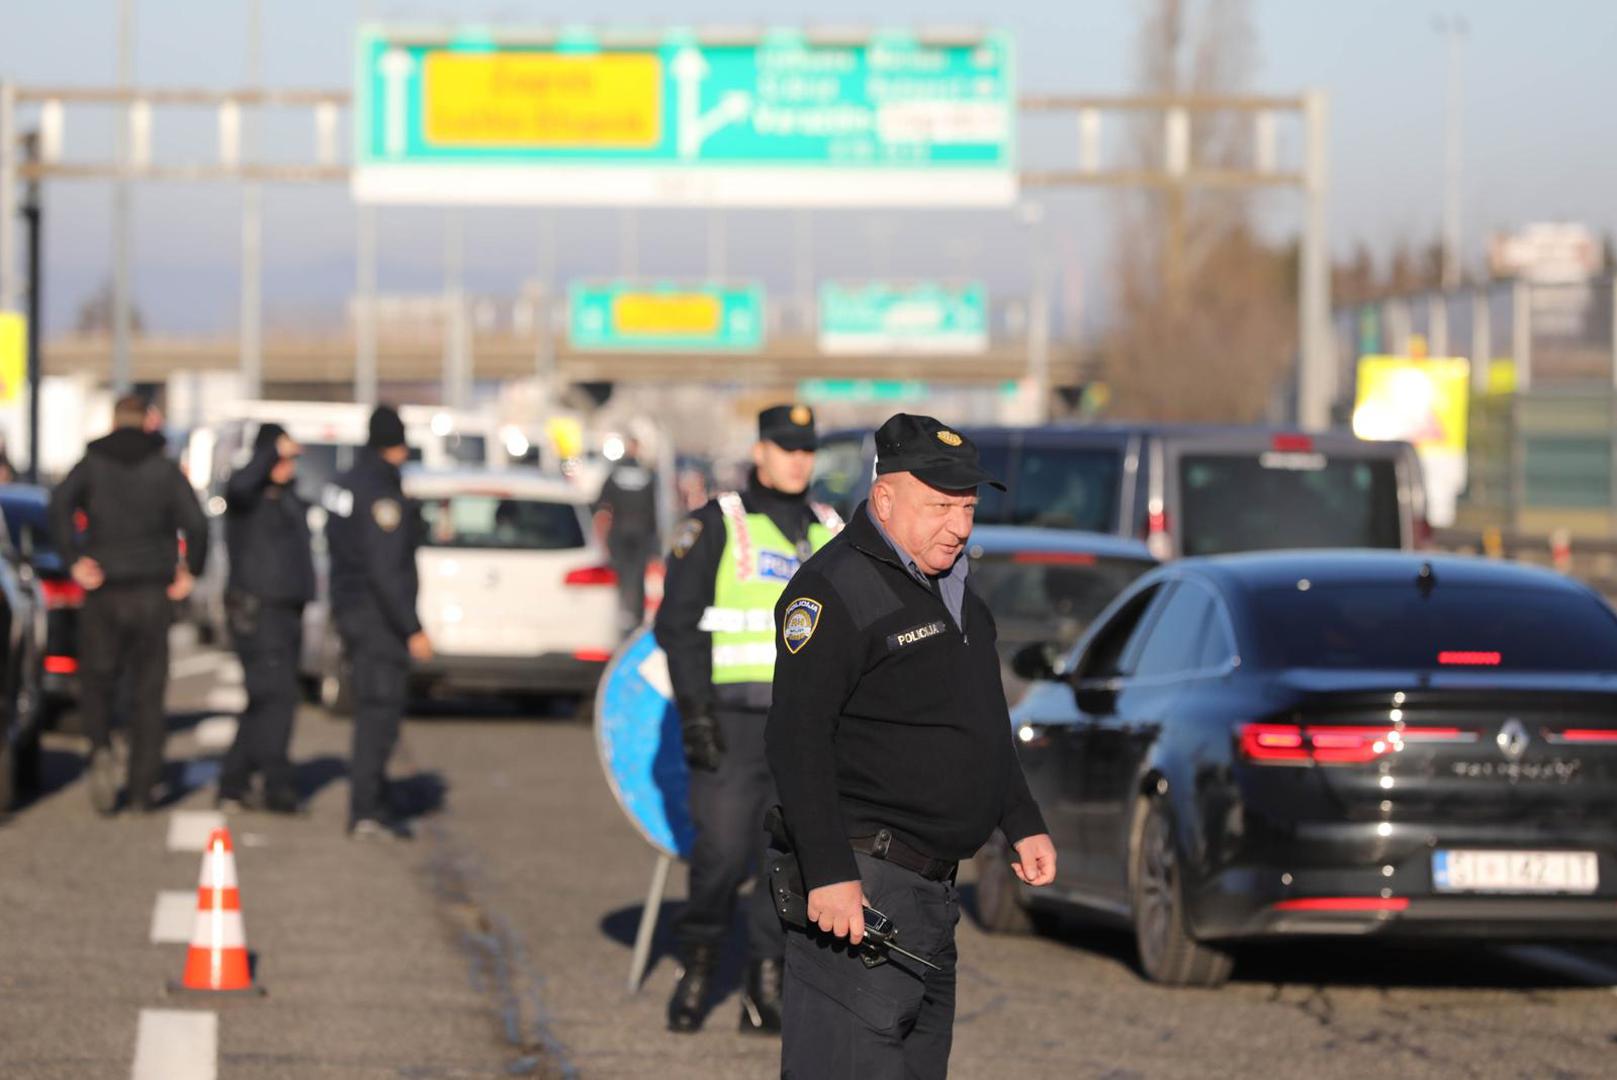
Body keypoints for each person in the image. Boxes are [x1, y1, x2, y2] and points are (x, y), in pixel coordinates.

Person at [765, 413, 1058, 1079]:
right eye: (938, 506)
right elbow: (795, 738)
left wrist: (1020, 819)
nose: (957, 525)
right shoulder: (833, 589)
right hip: (863, 886)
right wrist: (830, 872)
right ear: (884, 498)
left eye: (966, 507)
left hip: (929, 894)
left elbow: (979, 720)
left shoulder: (953, 591)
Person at [654, 404, 842, 1036]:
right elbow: (676, 626)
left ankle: (765, 983)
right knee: (722, 854)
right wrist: (695, 715)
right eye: (785, 447)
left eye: (807, 449)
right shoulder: (715, 525)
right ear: (759, 450)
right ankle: (700, 966)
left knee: (785, 861)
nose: (798, 459)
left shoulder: (831, 529)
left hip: (807, 733)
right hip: (731, 725)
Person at [48, 393, 208, 815]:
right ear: (148, 423)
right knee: (148, 692)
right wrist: (190, 568)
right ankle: (141, 787)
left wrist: (73, 559)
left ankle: (100, 745)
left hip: (103, 587)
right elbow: (196, 521)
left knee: (97, 681)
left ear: (114, 421)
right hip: (152, 591)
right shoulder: (164, 468)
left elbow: (59, 503)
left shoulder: (92, 465)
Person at [323, 405, 433, 840]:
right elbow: (386, 567)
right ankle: (366, 809)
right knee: (379, 714)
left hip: (354, 610)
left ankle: (375, 800)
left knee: (374, 709)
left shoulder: (349, 481)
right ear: (398, 442)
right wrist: (411, 626)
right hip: (376, 618)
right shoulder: (380, 491)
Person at [217, 423, 316, 815]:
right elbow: (240, 484)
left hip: (287, 611)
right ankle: (277, 784)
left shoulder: (287, 498)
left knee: (266, 699)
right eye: (282, 458)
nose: (288, 466)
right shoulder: (247, 497)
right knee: (276, 698)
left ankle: (234, 779)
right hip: (258, 612)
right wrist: (270, 450)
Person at [596, 436, 659, 637]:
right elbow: (653, 506)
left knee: (620, 573)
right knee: (638, 574)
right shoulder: (646, 473)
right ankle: (637, 617)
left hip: (620, 529)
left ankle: (620, 612)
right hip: (641, 529)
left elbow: (602, 502)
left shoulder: (616, 472)